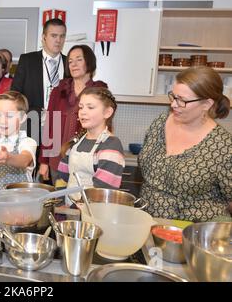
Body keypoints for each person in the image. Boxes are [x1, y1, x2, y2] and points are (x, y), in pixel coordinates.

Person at [139, 66, 231, 222]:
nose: (174, 104)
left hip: (190, 235)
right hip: (147, 225)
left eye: (182, 100)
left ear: (207, 104)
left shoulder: (223, 146)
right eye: (173, 96)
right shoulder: (161, 122)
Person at [39, 45, 107, 183]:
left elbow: (104, 127)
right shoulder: (58, 92)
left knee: (82, 202)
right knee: (59, 202)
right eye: (70, 61)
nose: (73, 64)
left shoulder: (99, 91)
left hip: (86, 162)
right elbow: (50, 127)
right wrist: (44, 161)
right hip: (57, 161)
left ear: (89, 62)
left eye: (78, 60)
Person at [57, 87, 125, 201]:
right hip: (70, 211)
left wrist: (75, 207)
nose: (82, 112)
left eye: (90, 107)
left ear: (107, 112)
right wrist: (59, 202)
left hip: (93, 214)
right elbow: (62, 178)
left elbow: (100, 192)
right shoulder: (76, 142)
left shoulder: (111, 146)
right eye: (81, 107)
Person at [12, 18, 67, 132]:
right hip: (31, 125)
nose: (58, 40)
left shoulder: (70, 63)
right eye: (54, 35)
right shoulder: (27, 60)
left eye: (62, 36)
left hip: (60, 127)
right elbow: (16, 95)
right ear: (44, 37)